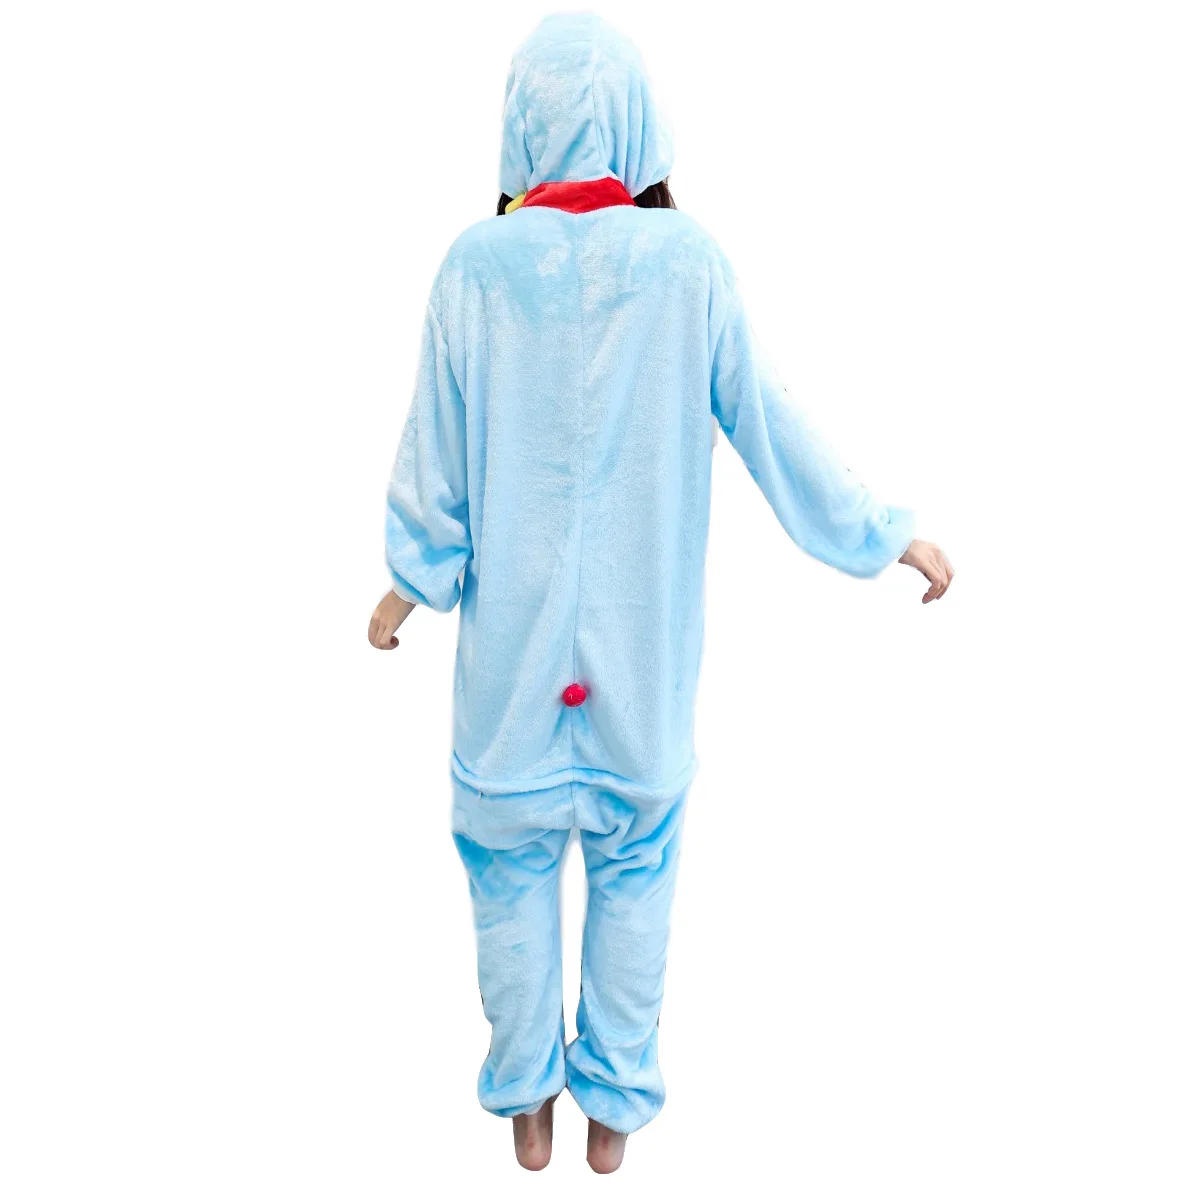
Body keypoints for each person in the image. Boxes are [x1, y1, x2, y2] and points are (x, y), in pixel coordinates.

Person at [367, 12, 952, 1174]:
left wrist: (405, 586)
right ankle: (613, 1112)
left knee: (507, 875)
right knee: (637, 875)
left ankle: (526, 1104)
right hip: (640, 678)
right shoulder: (688, 266)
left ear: (519, 125)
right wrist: (881, 533)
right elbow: (773, 425)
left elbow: (436, 454)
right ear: (641, 124)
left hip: (509, 680)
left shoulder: (476, 268)